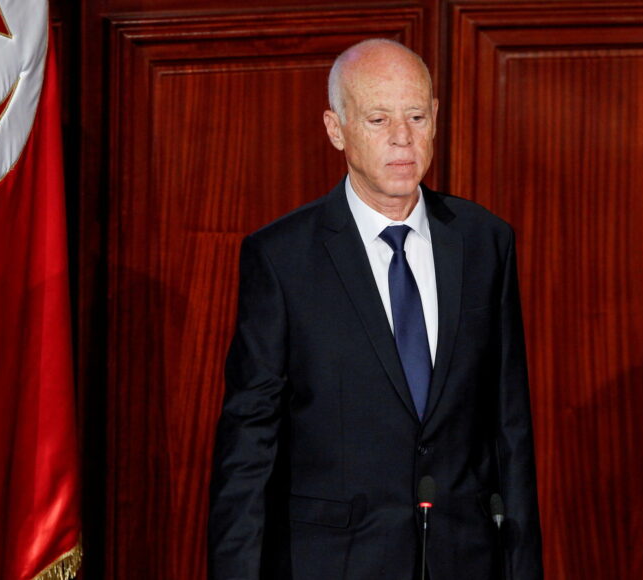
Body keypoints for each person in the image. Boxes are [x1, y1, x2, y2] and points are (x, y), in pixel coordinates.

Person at [208, 38, 543, 580]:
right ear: (335, 129)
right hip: (333, 563)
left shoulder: (485, 242)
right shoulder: (282, 258)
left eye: (415, 116)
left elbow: (510, 429)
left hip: (464, 559)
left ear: (435, 118)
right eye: (378, 119)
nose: (402, 139)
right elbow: (250, 444)